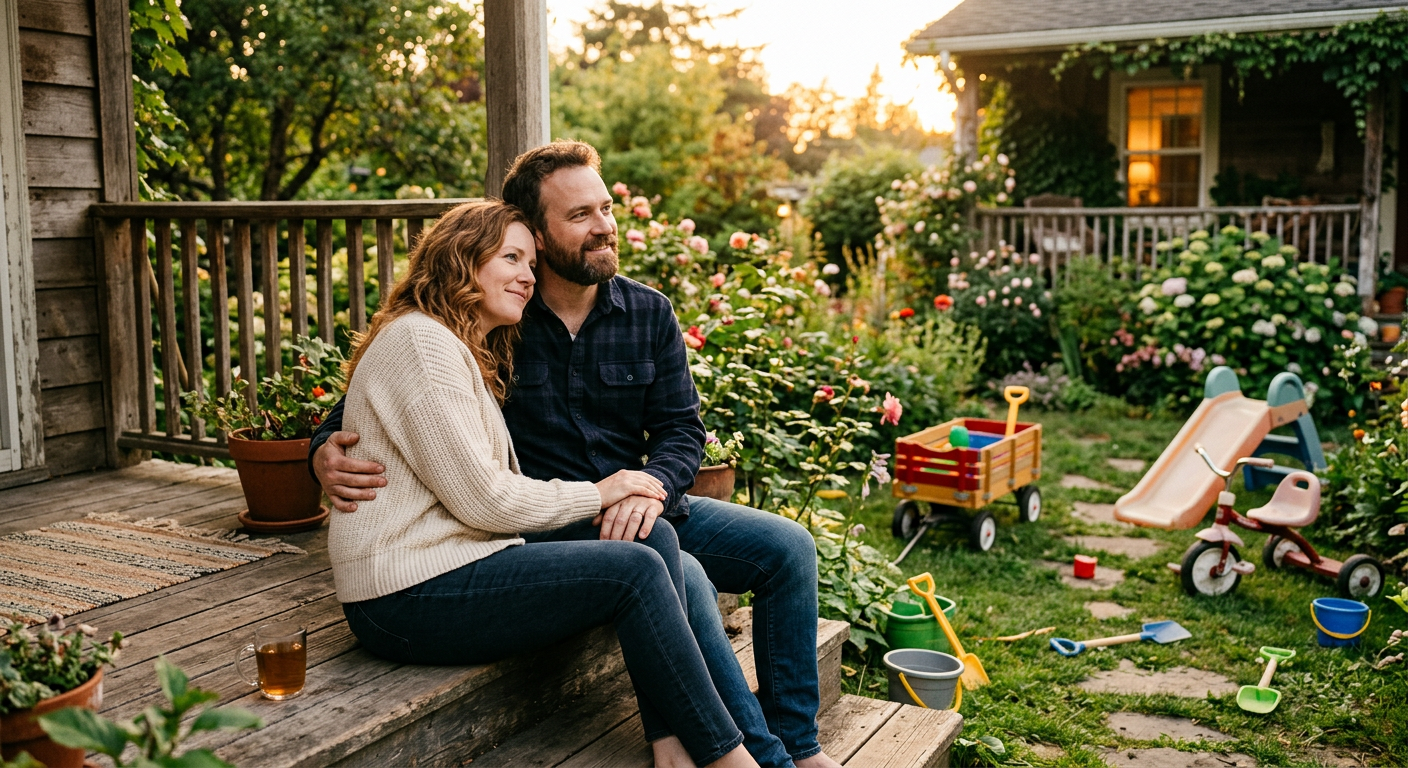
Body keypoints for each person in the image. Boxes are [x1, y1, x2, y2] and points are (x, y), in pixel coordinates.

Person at [311, 141, 842, 768]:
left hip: (636, 500)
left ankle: (796, 749)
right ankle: (724, 751)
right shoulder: (498, 313)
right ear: (537, 234)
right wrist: (322, 450)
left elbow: (680, 430)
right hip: (540, 516)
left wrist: (648, 487)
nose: (605, 227)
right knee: (669, 568)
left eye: (607, 208)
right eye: (580, 215)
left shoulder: (647, 312)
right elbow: (379, 404)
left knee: (787, 549)